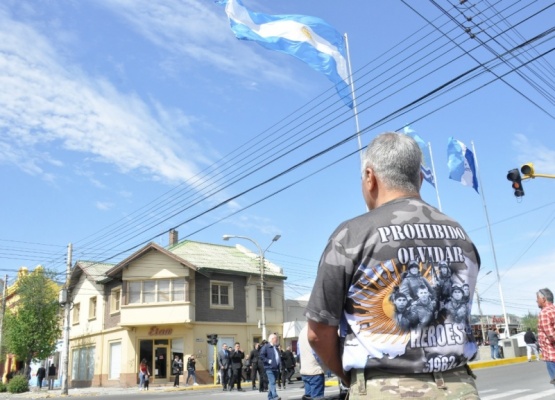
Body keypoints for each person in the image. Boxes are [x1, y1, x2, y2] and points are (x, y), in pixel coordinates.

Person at [305, 132, 481, 399]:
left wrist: (349, 377)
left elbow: (318, 333)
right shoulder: (460, 234)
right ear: (419, 178)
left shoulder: (352, 235)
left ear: (369, 177)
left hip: (384, 388)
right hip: (460, 387)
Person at [298, 324, 325, 400]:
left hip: (305, 369)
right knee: (317, 397)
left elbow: (298, 352)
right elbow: (316, 351)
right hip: (315, 370)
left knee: (308, 396)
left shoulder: (302, 331)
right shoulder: (314, 330)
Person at [537, 288, 555, 385]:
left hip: (552, 355)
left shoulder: (544, 312)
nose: (536, 301)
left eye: (537, 298)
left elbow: (551, 336)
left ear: (543, 299)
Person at [260, 333, 282, 400]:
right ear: (272, 339)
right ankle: (275, 396)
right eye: (276, 338)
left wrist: (280, 365)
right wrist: (268, 361)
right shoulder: (266, 347)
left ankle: (270, 397)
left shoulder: (275, 347)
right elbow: (261, 356)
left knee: (272, 383)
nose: (277, 339)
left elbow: (277, 357)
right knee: (272, 382)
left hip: (275, 368)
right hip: (269, 368)